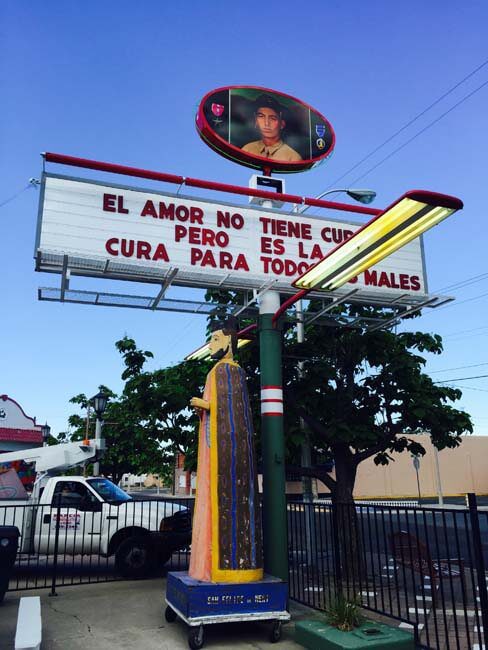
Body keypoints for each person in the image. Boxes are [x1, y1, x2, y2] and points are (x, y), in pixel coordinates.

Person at [188, 317, 263, 583]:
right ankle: (205, 567)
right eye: (211, 340)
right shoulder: (216, 372)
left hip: (229, 458)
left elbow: (233, 413)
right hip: (214, 451)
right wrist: (204, 408)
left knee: (227, 510)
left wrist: (206, 406)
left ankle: (223, 568)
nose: (210, 345)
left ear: (230, 342)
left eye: (216, 339)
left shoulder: (230, 371)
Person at [242, 94, 302, 162]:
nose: (266, 123)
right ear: (256, 121)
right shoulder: (247, 149)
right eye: (261, 116)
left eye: (273, 118)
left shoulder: (293, 157)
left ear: (282, 124)